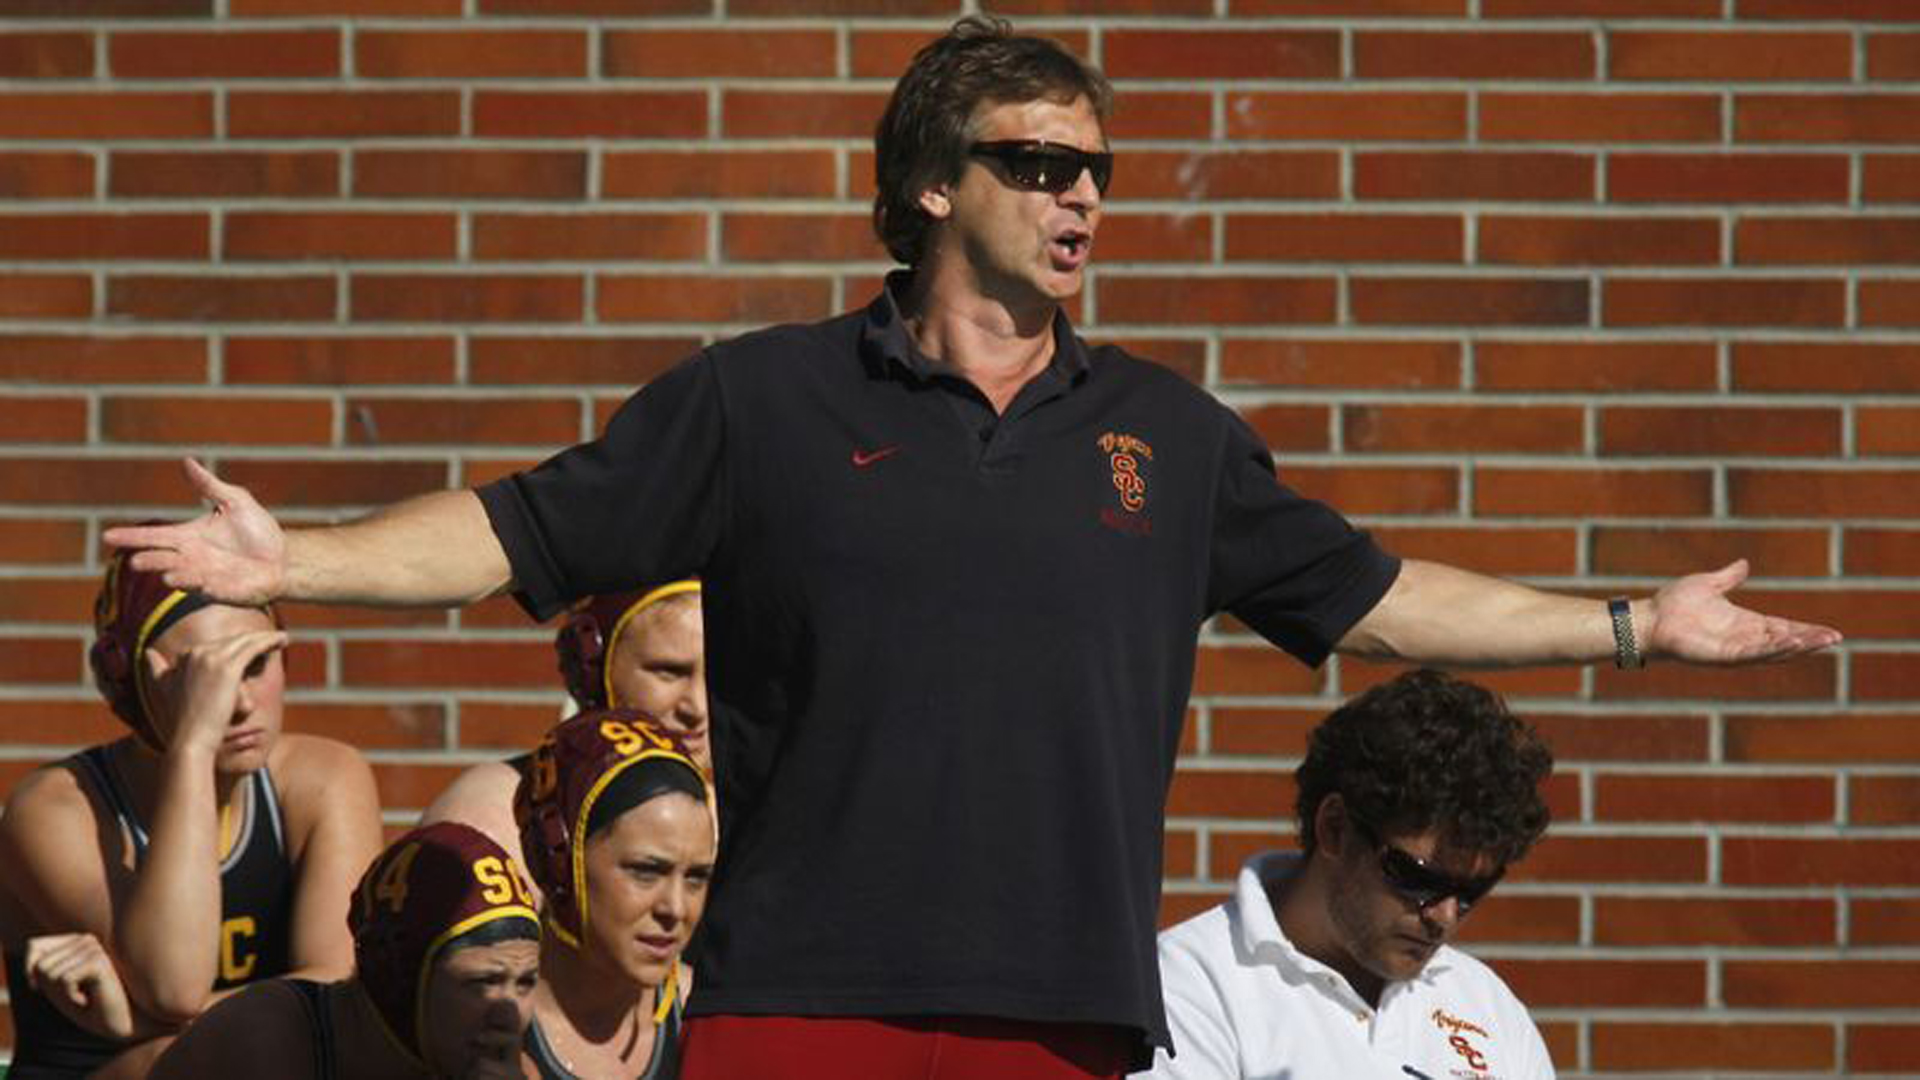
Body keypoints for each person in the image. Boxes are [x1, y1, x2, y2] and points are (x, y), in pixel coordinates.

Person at [104, 17, 1840, 1077]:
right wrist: (296, 559)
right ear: (934, 182)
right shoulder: (758, 402)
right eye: (1043, 163)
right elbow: (510, 532)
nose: (1088, 198)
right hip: (798, 997)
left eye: (1102, 171)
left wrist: (1632, 624)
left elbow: (1381, 595)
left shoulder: (1162, 428)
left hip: (1065, 1014)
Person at [0, 548, 383, 1079]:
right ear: (131, 684)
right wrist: (193, 747)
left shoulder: (322, 779)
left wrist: (136, 1020)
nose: (239, 702)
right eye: (201, 679)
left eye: (254, 664)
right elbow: (175, 985)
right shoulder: (54, 808)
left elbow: (339, 995)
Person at [1139, 670, 1555, 1080]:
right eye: (1417, 878)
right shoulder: (1191, 984)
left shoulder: (1487, 1004)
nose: (1444, 916)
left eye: (1472, 890)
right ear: (1335, 828)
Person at [148, 821, 543, 1080]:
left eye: (525, 983)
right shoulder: (269, 1042)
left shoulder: (504, 1066)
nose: (508, 1014)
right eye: (485, 981)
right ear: (400, 978)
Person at [419, 581, 708, 893]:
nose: (699, 706)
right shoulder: (495, 819)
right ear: (593, 670)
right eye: (669, 671)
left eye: (722, 672)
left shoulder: (754, 803)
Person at [513, 709, 715, 1080]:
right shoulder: (483, 1029)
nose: (674, 908)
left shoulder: (704, 1018)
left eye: (696, 878)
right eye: (645, 871)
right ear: (558, 860)